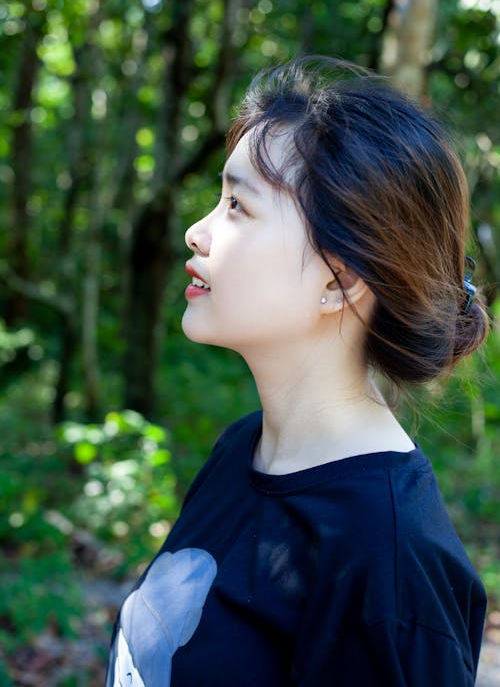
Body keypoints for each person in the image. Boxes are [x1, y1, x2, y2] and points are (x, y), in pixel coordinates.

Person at [105, 57, 489, 686]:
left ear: (343, 280)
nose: (197, 232)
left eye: (238, 206)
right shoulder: (243, 450)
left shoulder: (389, 563)